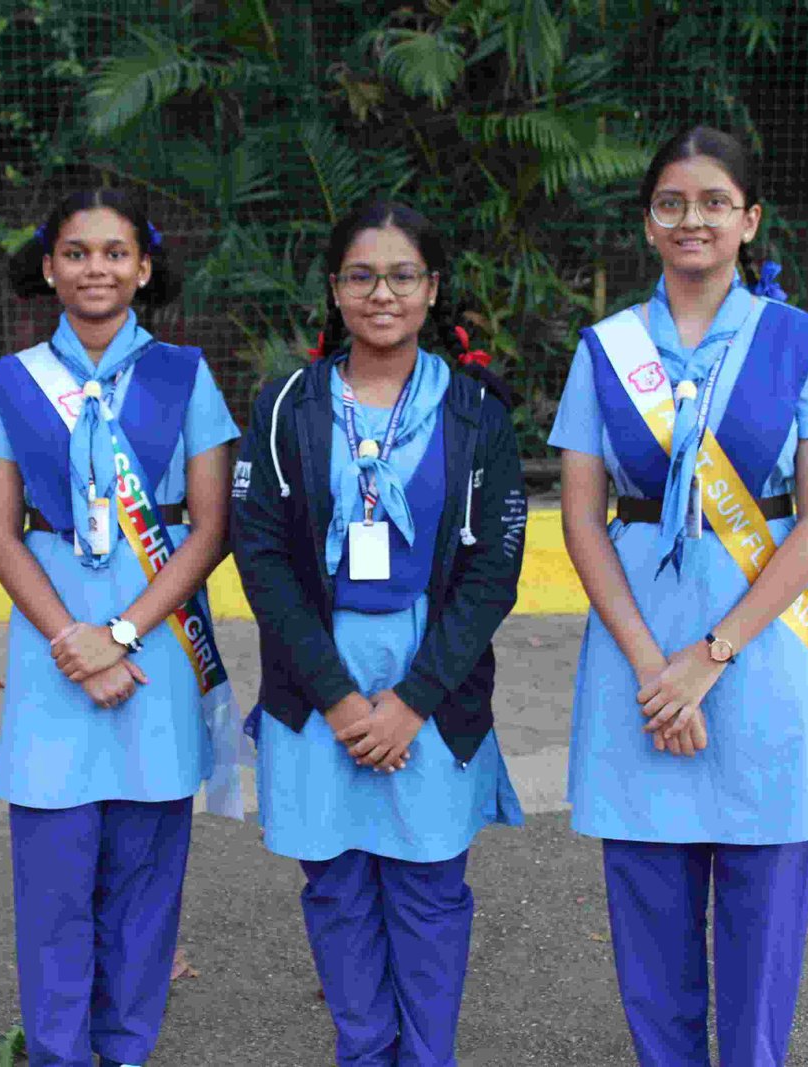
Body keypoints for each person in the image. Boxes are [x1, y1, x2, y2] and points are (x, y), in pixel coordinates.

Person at [549, 125, 808, 1065]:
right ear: (649, 223)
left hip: (759, 650)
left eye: (715, 203)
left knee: (766, 903)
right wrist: (658, 668)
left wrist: (709, 655)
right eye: (673, 203)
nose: (694, 220)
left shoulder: (801, 344)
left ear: (749, 220)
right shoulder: (606, 351)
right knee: (648, 902)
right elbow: (582, 519)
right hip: (638, 651)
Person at [231, 200, 526, 1067]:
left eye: (402, 275)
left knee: (429, 886)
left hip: (430, 687)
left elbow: (493, 573)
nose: (382, 293)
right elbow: (261, 557)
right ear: (334, 288)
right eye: (361, 276)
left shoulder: (477, 412)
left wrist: (410, 703)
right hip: (316, 686)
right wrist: (337, 697)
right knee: (336, 886)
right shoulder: (287, 407)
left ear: (432, 288)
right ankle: (363, 1052)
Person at [0, 187, 241, 1067]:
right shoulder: (13, 382)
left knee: (144, 886)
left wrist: (119, 636)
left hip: (154, 645)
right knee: (52, 887)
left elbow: (209, 528)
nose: (97, 269)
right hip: (52, 654)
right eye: (77, 253)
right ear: (49, 267)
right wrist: (74, 645)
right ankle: (58, 1053)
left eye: (115, 253)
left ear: (144, 267)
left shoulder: (184, 375)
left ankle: (125, 1050)